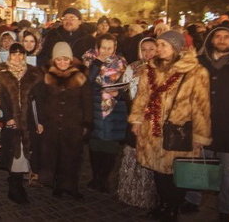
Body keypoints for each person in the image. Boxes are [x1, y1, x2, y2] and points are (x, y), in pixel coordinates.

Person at [128, 31, 211, 221]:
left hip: (179, 131)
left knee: (176, 172)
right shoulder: (150, 69)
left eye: (163, 45)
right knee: (157, 170)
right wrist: (137, 120)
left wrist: (199, 137)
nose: (159, 49)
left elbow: (201, 107)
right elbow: (142, 97)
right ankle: (162, 204)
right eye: (158, 44)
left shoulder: (195, 71)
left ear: (176, 47)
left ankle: (173, 208)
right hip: (153, 129)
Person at [182, 27, 229, 221]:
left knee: (228, 171)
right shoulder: (199, 63)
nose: (222, 40)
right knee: (199, 164)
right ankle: (193, 200)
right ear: (211, 39)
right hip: (201, 125)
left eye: (227, 37)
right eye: (218, 36)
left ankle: (226, 208)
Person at [33, 42, 91, 200]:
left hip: (73, 124)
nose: (63, 63)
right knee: (56, 156)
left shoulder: (80, 76)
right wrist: (42, 120)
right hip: (52, 124)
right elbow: (40, 99)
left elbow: (86, 101)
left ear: (71, 60)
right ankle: (58, 185)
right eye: (59, 59)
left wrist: (87, 122)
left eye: (66, 59)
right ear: (54, 60)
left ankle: (72, 186)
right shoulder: (46, 76)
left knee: (73, 157)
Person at [0, 43, 42, 204]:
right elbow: (0, 98)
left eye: (20, 54)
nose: (17, 57)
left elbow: (38, 99)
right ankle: (15, 186)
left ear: (24, 55)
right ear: (9, 55)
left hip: (27, 120)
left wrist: (39, 121)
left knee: (24, 152)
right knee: (14, 152)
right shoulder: (1, 72)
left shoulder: (33, 72)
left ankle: (15, 182)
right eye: (14, 54)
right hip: (11, 120)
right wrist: (7, 116)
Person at [116, 37, 159, 210]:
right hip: (134, 115)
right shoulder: (133, 67)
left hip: (154, 118)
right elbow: (125, 89)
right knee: (132, 152)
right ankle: (131, 192)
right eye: (144, 49)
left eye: (151, 49)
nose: (148, 53)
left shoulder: (163, 69)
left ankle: (150, 195)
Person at [82, 34, 128, 193]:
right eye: (103, 48)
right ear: (97, 47)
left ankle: (104, 178)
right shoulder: (88, 60)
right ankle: (95, 177)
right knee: (95, 145)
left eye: (110, 48)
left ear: (115, 48)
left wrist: (119, 93)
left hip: (114, 110)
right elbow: (86, 82)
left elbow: (128, 88)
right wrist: (97, 63)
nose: (107, 51)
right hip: (94, 107)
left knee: (110, 146)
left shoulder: (122, 63)